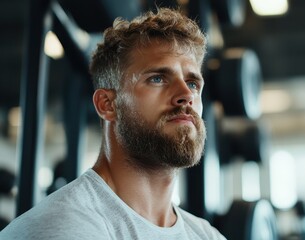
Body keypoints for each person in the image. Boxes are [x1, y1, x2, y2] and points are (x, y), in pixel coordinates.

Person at [0, 8, 226, 239]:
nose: (185, 94)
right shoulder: (65, 227)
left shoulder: (206, 234)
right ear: (107, 104)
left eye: (192, 84)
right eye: (157, 79)